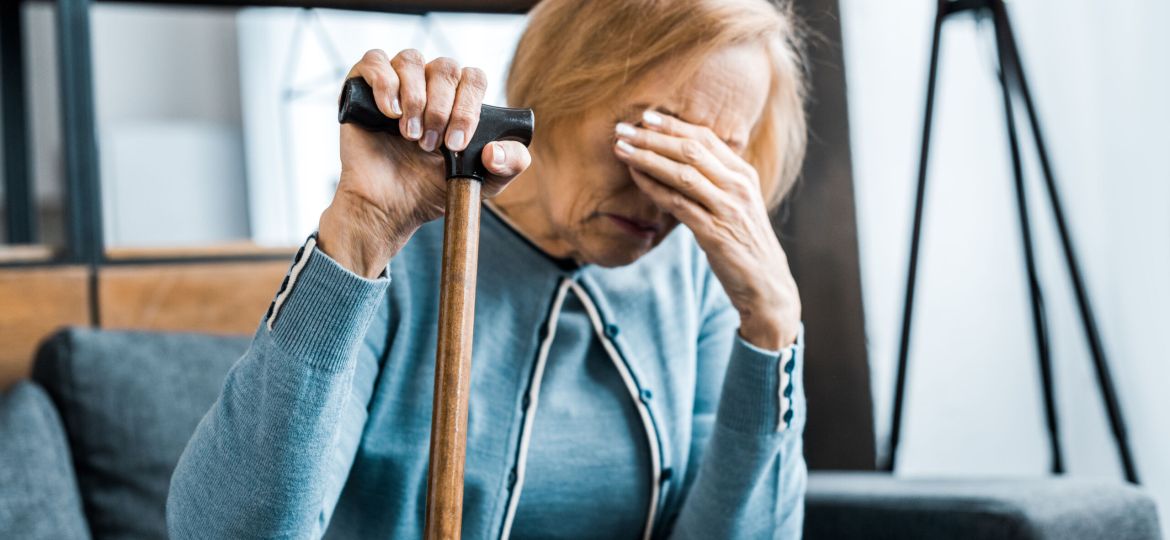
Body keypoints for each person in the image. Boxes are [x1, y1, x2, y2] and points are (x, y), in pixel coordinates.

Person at [167, 0, 809, 538]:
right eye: (655, 131)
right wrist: (359, 236)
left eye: (715, 157)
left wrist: (774, 323)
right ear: (562, 84)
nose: (665, 190)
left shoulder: (691, 284)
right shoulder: (398, 261)